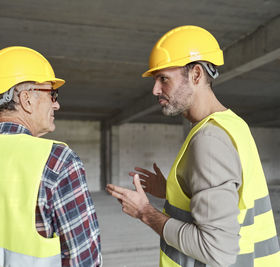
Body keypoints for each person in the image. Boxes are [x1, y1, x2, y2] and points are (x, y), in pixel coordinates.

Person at [106, 25, 280, 266]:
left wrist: (145, 212)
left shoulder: (210, 139)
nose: (155, 90)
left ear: (196, 75)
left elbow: (217, 250)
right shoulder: (233, 124)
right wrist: (171, 192)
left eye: (163, 79)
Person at [0, 46, 102, 267]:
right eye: (52, 94)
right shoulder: (57, 161)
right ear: (26, 99)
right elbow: (84, 259)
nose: (56, 104)